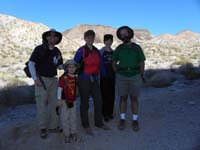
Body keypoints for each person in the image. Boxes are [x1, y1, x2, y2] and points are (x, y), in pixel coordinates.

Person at [28, 29, 63, 138]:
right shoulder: (39, 49)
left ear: (57, 39)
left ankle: (53, 126)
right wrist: (35, 78)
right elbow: (31, 63)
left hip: (53, 80)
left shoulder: (57, 51)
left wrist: (68, 66)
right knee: (41, 105)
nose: (53, 38)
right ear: (46, 37)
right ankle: (42, 127)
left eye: (55, 36)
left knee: (55, 104)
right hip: (41, 80)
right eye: (51, 36)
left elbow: (59, 65)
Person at [74, 30, 109, 136]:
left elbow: (101, 65)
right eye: (88, 37)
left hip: (94, 79)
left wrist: (105, 76)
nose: (90, 39)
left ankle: (98, 123)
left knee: (98, 100)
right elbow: (74, 64)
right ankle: (86, 125)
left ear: (94, 39)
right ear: (85, 38)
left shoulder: (97, 51)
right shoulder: (81, 50)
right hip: (84, 79)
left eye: (92, 37)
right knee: (84, 103)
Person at [112, 26, 146, 131]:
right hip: (122, 76)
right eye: (121, 34)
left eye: (125, 33)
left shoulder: (137, 47)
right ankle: (122, 119)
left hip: (135, 75)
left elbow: (142, 62)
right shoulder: (119, 48)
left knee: (134, 98)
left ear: (130, 33)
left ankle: (135, 119)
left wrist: (141, 75)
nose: (124, 36)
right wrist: (116, 72)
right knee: (123, 98)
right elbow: (113, 62)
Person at [57, 60, 82, 143]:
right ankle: (67, 134)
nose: (71, 69)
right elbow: (60, 89)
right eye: (69, 67)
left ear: (75, 68)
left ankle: (73, 132)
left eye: (73, 67)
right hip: (64, 101)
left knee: (73, 117)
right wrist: (59, 99)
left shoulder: (75, 78)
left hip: (73, 101)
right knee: (65, 118)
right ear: (66, 68)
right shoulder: (63, 78)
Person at [100, 34, 115, 122]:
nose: (109, 42)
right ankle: (104, 113)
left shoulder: (113, 52)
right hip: (104, 77)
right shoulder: (101, 52)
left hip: (112, 76)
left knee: (111, 95)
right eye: (107, 40)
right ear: (104, 41)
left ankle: (110, 112)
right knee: (104, 95)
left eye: (110, 40)